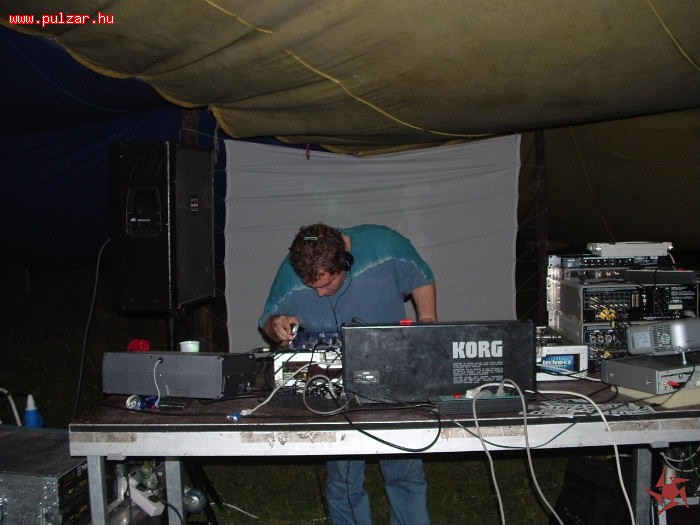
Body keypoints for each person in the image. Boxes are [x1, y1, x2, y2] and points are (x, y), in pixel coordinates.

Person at [259, 222, 436, 525]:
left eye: (327, 284)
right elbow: (268, 319)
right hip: (332, 382)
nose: (320, 294)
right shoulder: (293, 267)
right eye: (312, 287)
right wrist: (276, 325)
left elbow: (421, 277)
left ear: (345, 262)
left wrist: (428, 324)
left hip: (392, 368)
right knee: (343, 479)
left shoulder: (385, 245)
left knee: (404, 470)